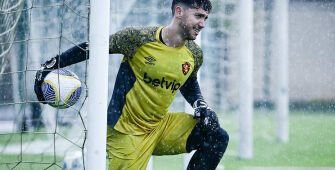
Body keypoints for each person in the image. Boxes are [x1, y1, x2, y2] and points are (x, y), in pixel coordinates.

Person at [34, 0, 229, 169]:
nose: (202, 24)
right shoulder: (138, 38)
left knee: (215, 135)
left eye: (205, 18)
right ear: (179, 12)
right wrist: (49, 66)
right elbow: (94, 46)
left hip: (160, 127)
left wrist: (200, 105)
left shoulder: (194, 53)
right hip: (125, 133)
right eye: (198, 16)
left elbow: (188, 80)